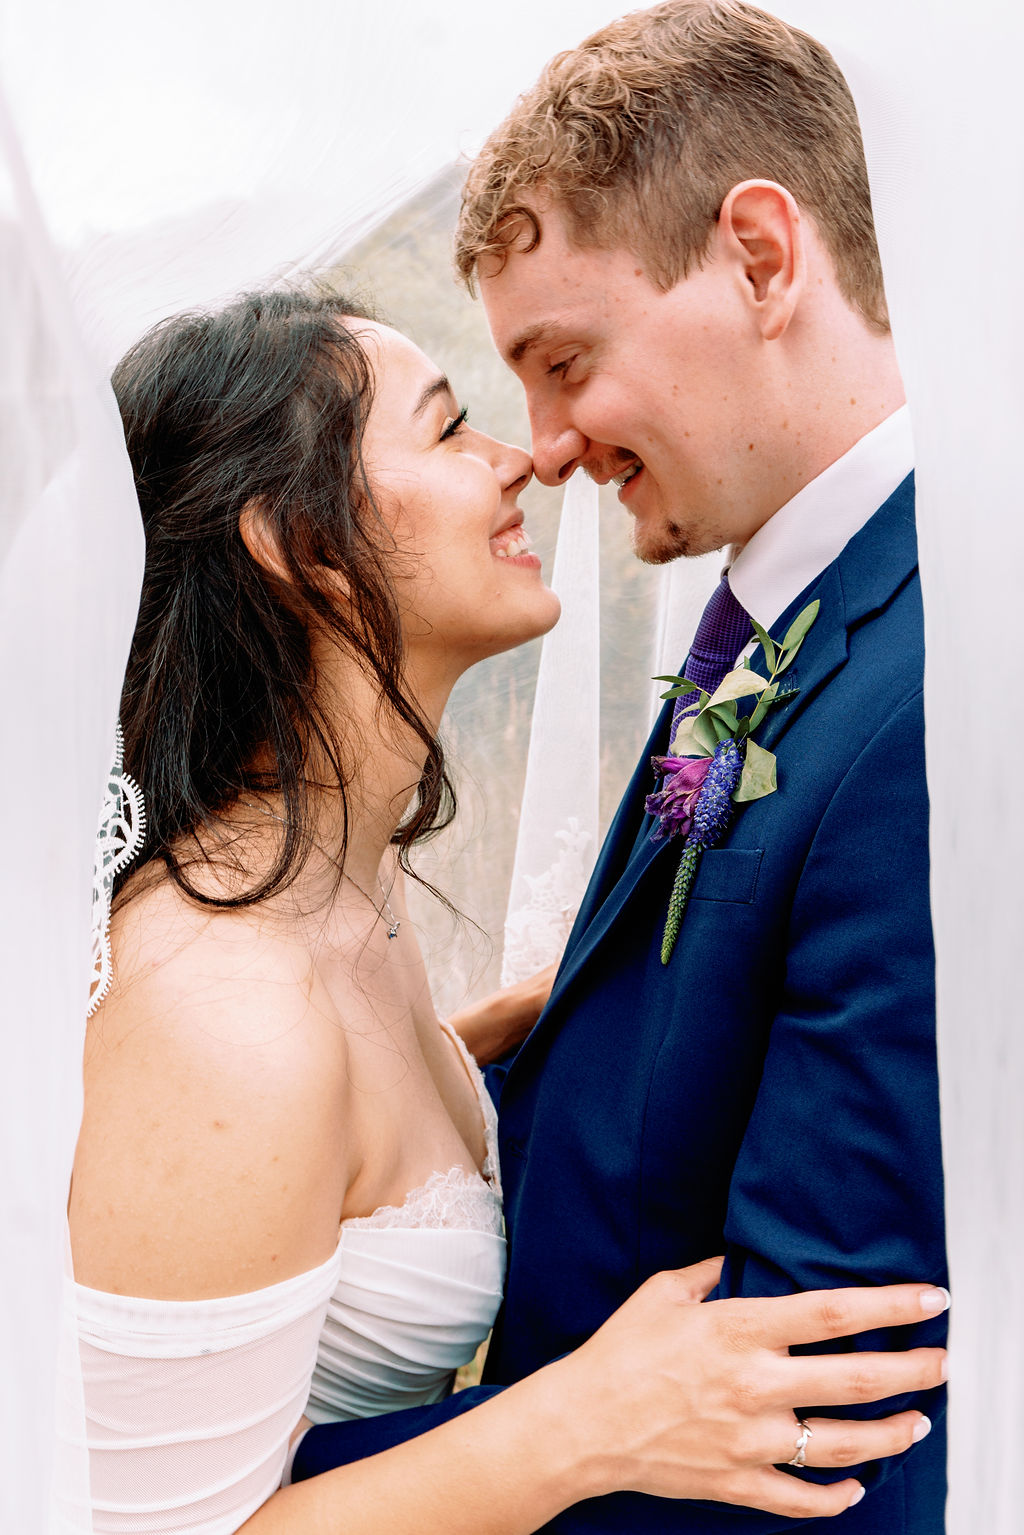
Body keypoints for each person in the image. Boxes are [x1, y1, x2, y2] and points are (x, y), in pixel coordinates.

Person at [66, 286, 946, 1535]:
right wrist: (584, 1422)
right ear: (300, 544)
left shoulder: (350, 901)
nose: (522, 458)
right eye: (448, 430)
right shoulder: (220, 1011)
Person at [289, 3, 948, 1532]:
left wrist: (223, 1488)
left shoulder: (935, 690)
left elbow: (807, 1396)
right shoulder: (758, 622)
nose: (550, 444)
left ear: (764, 259)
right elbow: (665, 994)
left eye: (565, 359)